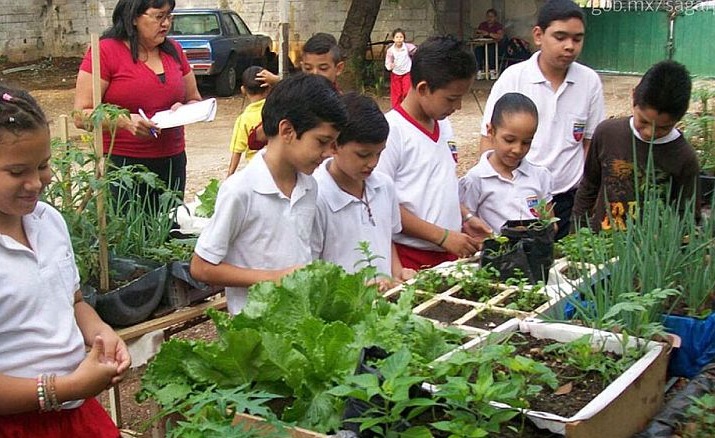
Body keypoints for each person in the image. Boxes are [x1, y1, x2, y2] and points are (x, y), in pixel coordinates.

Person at [0, 85, 130, 438]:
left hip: (77, 415)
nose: (36, 182)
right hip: (12, 429)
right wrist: (63, 387)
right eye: (17, 171)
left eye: (43, 165)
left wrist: (101, 335)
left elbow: (73, 303)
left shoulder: (48, 221)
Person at [190, 74, 347, 314]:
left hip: (298, 321)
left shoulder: (309, 186)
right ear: (287, 131)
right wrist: (272, 278)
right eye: (322, 142)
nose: (328, 153)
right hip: (254, 328)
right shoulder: (240, 190)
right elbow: (202, 268)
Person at [478, 0, 605, 240]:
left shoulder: (590, 82)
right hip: (519, 199)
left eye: (577, 39)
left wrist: (588, 198)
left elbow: (590, 144)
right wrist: (491, 191)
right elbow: (488, 139)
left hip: (569, 198)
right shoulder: (513, 78)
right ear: (538, 35)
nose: (570, 46)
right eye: (560, 37)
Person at [377, 36, 492, 270]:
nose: (458, 106)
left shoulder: (443, 123)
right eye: (452, 98)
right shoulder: (391, 133)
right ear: (423, 88)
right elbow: (382, 205)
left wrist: (465, 218)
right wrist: (442, 236)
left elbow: (438, 187)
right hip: (411, 259)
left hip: (448, 253)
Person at [73, 0, 202, 208]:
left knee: (168, 229)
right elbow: (80, 115)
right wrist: (124, 121)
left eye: (169, 16)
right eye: (159, 16)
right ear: (133, 17)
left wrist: (186, 110)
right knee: (131, 232)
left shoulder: (174, 51)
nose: (166, 24)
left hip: (172, 159)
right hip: (123, 165)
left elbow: (194, 98)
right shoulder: (105, 52)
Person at [573, 60, 700, 232]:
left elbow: (687, 214)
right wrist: (576, 232)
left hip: (648, 250)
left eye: (663, 128)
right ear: (633, 97)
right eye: (644, 121)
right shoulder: (607, 133)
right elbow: (589, 186)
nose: (649, 132)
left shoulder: (683, 157)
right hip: (600, 244)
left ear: (679, 118)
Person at [311, 92, 414, 286]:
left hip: (385, 303)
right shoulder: (316, 197)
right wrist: (356, 290)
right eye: (363, 154)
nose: (373, 163)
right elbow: (311, 268)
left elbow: (386, 238)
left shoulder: (384, 186)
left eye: (379, 153)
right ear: (334, 146)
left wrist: (398, 273)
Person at [460, 93, 555, 234]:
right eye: (509, 140)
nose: (517, 149)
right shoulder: (476, 179)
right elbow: (469, 226)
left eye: (526, 142)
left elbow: (550, 222)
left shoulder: (540, 175)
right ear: (491, 131)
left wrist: (545, 230)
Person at [249, 32, 345, 150]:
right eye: (308, 68)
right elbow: (254, 140)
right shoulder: (293, 100)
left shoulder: (344, 105)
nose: (314, 74)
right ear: (301, 66)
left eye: (323, 68)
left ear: (338, 68)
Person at [227, 66, 268, 176]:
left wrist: (229, 176)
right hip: (280, 166)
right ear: (268, 87)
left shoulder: (243, 119)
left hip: (257, 170)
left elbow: (237, 151)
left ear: (243, 90)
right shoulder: (277, 108)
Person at [384, 28, 417, 108]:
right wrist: (390, 66)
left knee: (407, 91)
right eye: (397, 37)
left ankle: (408, 107)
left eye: (401, 37)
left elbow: (416, 52)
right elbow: (388, 62)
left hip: (407, 72)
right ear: (393, 39)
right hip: (396, 73)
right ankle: (397, 109)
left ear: (404, 38)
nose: (399, 39)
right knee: (396, 93)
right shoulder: (390, 50)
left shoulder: (408, 47)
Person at [473, 8, 505, 79]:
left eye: (491, 17)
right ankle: (480, 71)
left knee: (491, 50)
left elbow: (500, 36)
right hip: (483, 45)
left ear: (495, 18)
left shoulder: (498, 26)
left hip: (495, 46)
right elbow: (476, 34)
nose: (489, 18)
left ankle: (492, 71)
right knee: (477, 50)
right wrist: (478, 34)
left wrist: (488, 33)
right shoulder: (483, 25)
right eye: (488, 16)